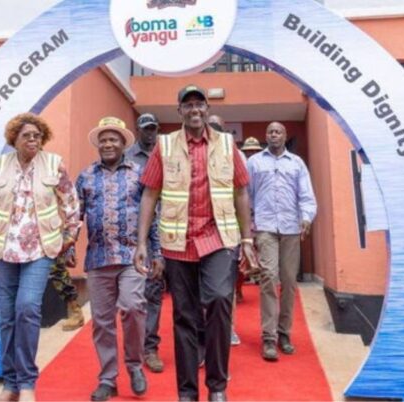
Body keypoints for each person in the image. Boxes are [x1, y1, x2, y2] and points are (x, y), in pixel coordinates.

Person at [135, 85, 260, 402]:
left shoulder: (227, 145)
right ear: (179, 111)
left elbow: (242, 190)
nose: (194, 109)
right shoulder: (163, 146)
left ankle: (217, 386)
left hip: (218, 238)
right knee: (184, 316)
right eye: (187, 105)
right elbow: (149, 193)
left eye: (199, 104)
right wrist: (141, 244)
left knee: (219, 300)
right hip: (178, 242)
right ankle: (187, 392)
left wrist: (246, 239)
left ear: (207, 109)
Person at [0, 113, 79, 402]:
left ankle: (28, 383)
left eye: (37, 135)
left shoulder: (54, 164)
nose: (33, 140)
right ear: (14, 139)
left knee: (27, 308)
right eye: (27, 135)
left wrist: (71, 235)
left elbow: (70, 201)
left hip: (41, 249)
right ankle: (11, 385)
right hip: (5, 249)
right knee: (7, 318)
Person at [73, 117, 163, 401]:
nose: (108, 144)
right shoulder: (85, 177)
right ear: (98, 144)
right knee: (102, 322)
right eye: (104, 140)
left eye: (114, 139)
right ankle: (108, 378)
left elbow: (154, 216)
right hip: (98, 259)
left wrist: (157, 251)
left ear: (124, 143)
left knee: (134, 307)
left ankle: (135, 365)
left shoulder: (139, 173)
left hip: (131, 257)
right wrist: (67, 245)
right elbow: (75, 216)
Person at [247, 121, 316, 362]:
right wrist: (248, 227)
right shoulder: (254, 162)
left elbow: (306, 196)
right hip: (265, 227)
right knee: (268, 277)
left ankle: (284, 333)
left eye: (278, 132)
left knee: (289, 281)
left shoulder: (296, 163)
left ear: (285, 136)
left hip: (290, 228)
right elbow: (246, 195)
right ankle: (268, 337)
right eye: (270, 132)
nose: (274, 135)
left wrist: (306, 218)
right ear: (266, 136)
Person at [125, 113, 167, 373]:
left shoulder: (168, 152)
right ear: (138, 130)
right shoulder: (128, 157)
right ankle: (145, 348)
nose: (149, 132)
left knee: (168, 293)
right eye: (145, 128)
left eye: (153, 128)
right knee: (145, 292)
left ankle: (153, 345)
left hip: (174, 228)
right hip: (143, 233)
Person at [207, 114, 242, 348]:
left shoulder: (234, 154)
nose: (213, 130)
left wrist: (247, 235)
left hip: (227, 232)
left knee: (225, 287)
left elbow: (244, 194)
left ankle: (227, 327)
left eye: (217, 127)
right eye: (211, 127)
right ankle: (204, 332)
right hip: (199, 232)